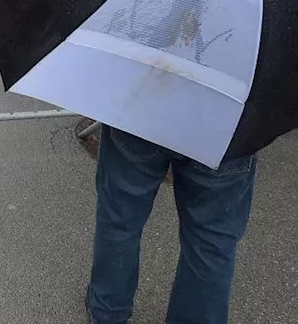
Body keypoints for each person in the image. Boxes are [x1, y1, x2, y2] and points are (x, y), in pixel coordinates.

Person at [86, 125, 257, 324]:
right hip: (227, 124)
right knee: (211, 242)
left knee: (119, 220)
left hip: (144, 111)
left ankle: (108, 311)